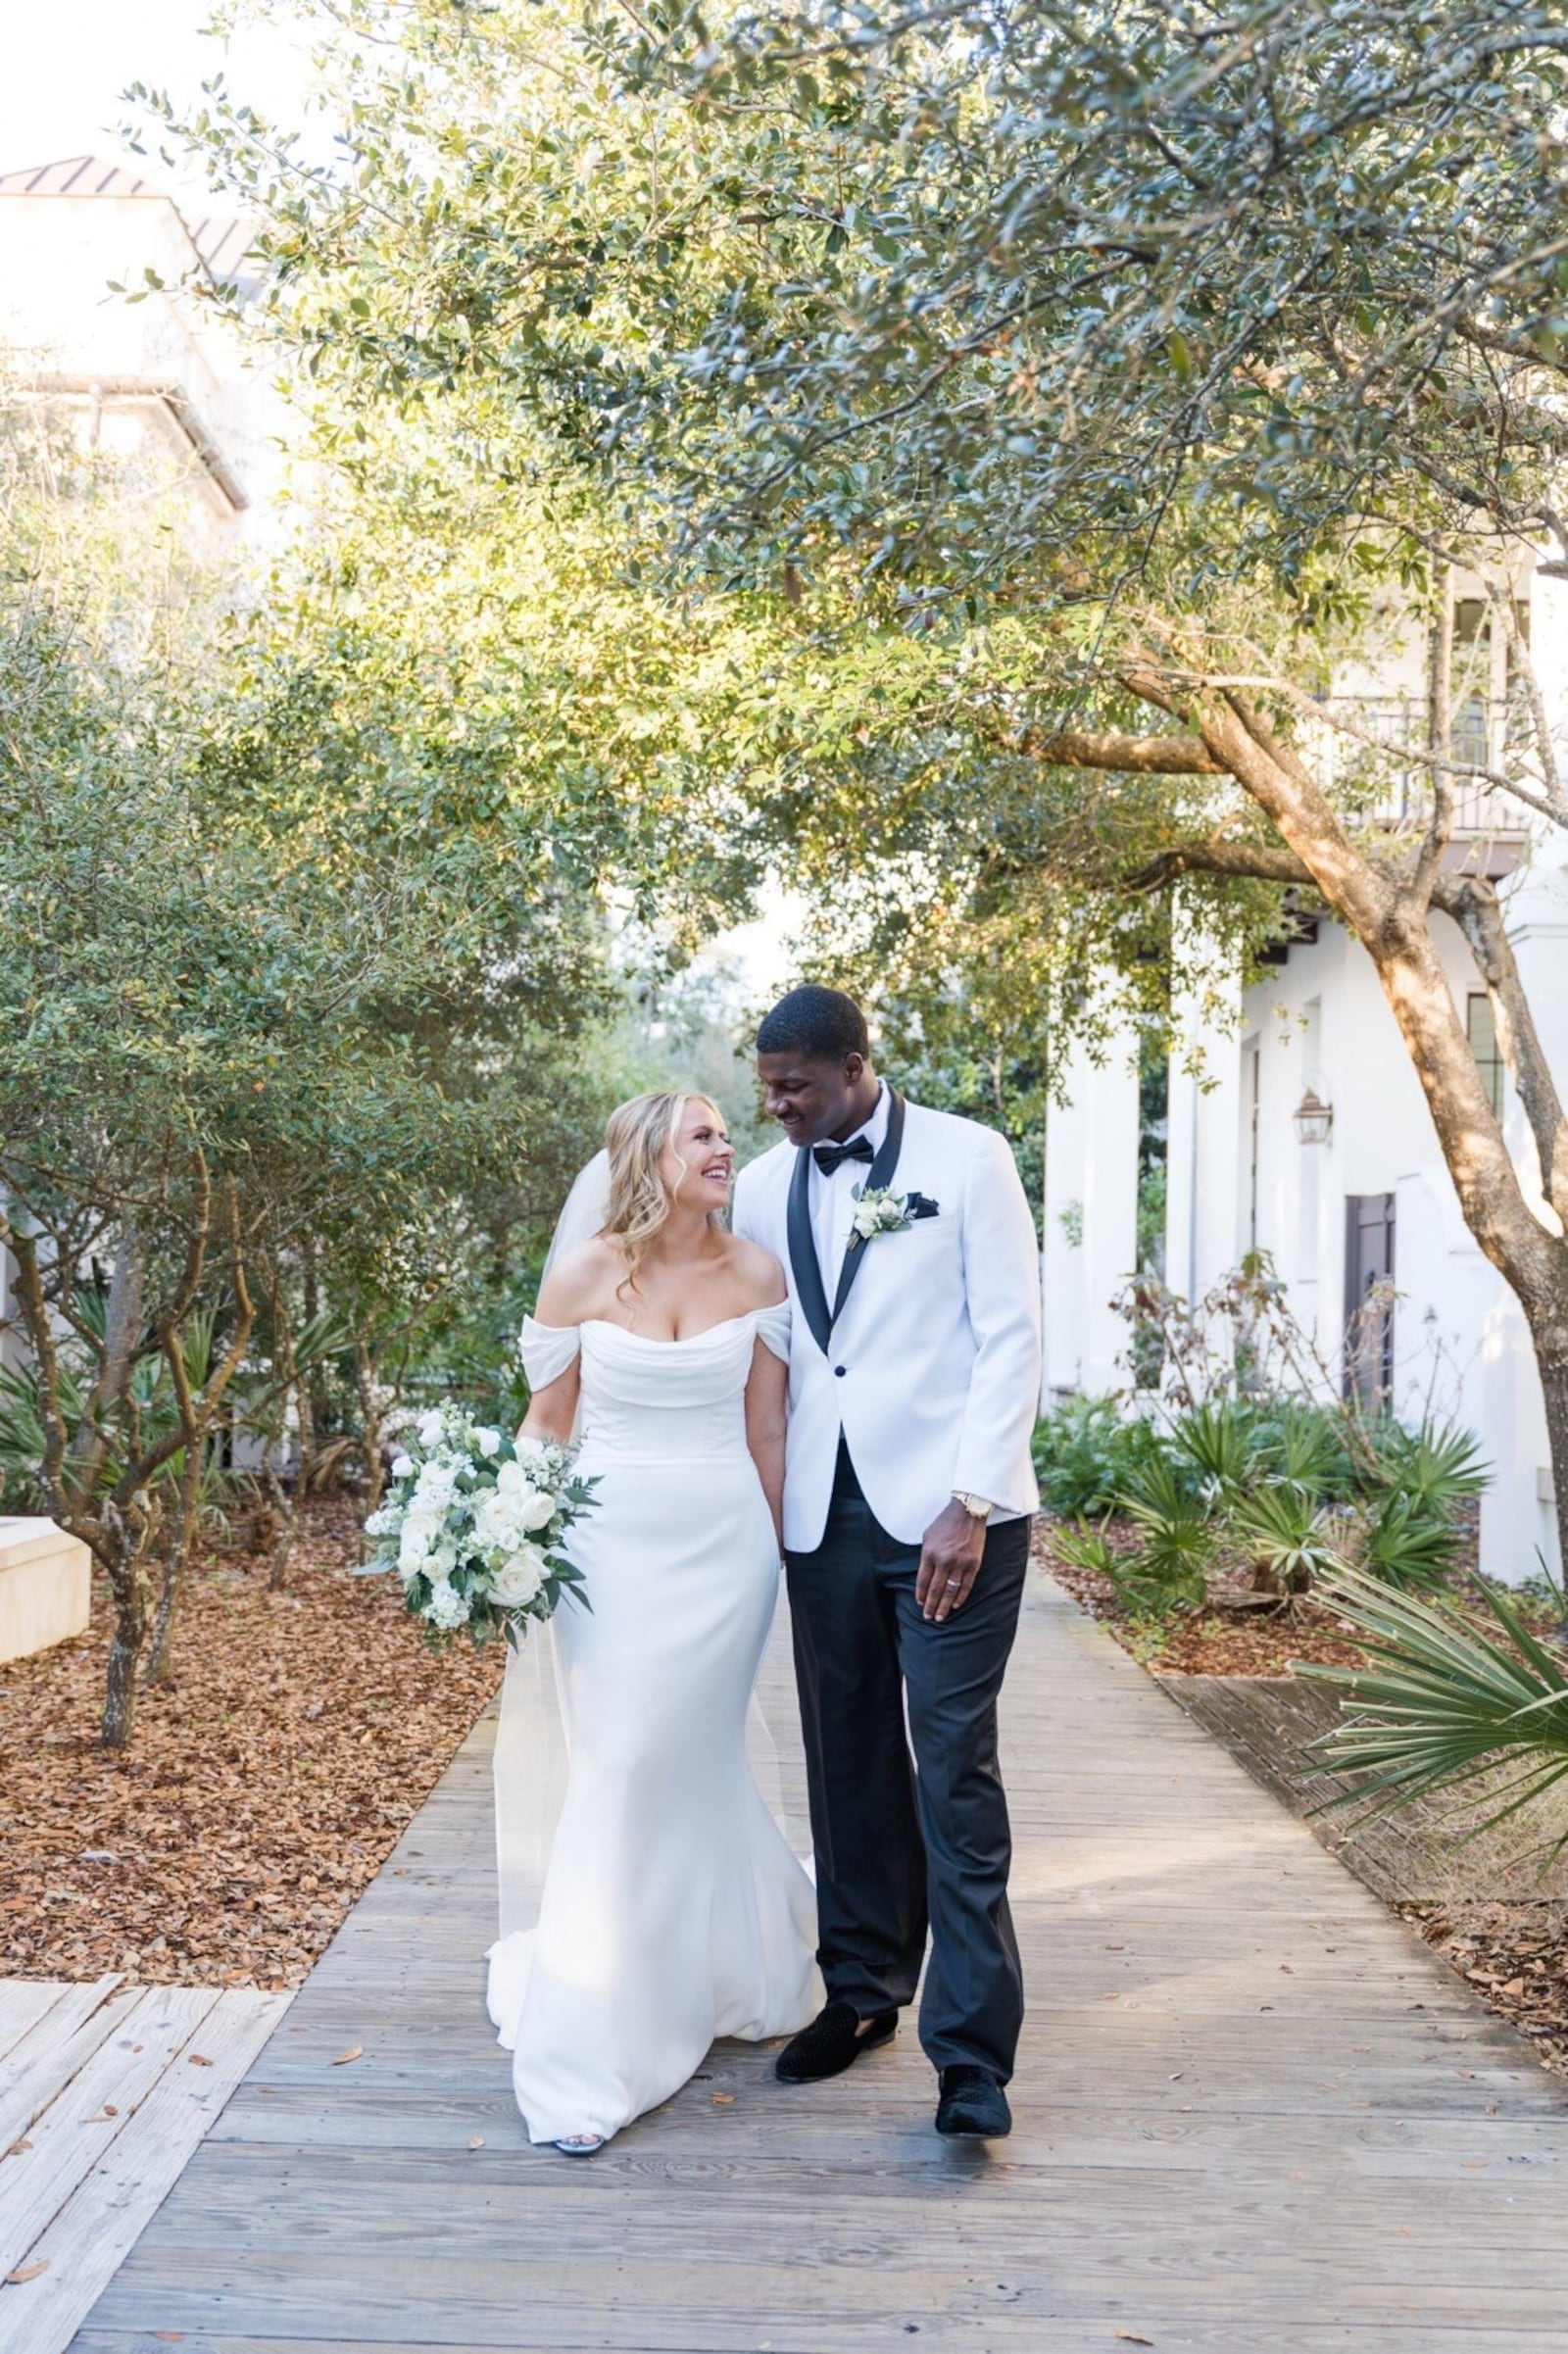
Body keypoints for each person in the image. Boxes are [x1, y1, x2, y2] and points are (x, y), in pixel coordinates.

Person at [732, 985, 1042, 2139]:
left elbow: (1012, 1333)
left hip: (953, 1515)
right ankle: (861, 1990)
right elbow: (768, 1355)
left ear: (855, 1067)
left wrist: (969, 1500)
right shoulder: (765, 1187)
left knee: (952, 1769)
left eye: (794, 1087)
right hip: (820, 1513)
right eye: (765, 1086)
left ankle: (971, 2058)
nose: (774, 1108)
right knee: (846, 1760)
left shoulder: (969, 1159)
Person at [486, 1090, 821, 2153]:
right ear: (650, 1157)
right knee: (623, 1759)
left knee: (691, 1760)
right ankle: (591, 2034)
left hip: (725, 1551)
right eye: (706, 1135)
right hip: (607, 1550)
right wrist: (507, 1543)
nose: (728, 1149)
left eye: (728, 1133)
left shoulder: (757, 1274)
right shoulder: (586, 1271)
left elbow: (767, 1430)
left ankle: (713, 1964)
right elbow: (550, 1419)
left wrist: (784, 1559)